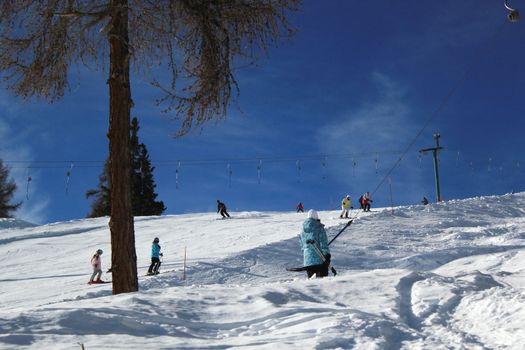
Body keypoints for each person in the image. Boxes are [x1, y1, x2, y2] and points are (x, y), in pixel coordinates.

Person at [300, 209, 331, 278]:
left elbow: (302, 244)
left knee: (312, 283)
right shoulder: (319, 227)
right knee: (323, 281)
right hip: (319, 260)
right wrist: (327, 255)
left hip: (307, 261)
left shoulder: (302, 230)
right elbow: (323, 243)